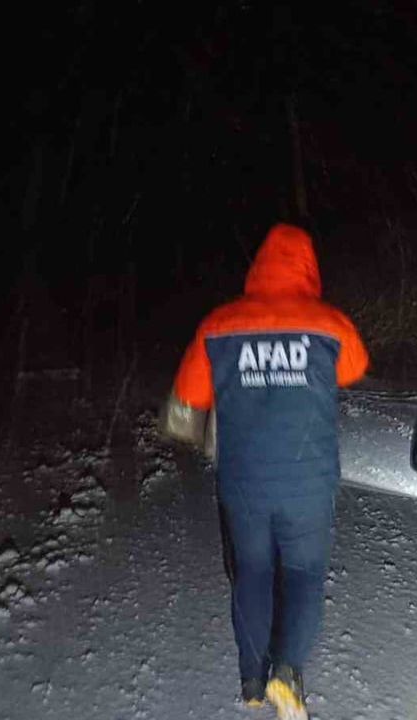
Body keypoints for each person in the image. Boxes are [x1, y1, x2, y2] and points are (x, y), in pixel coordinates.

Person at [161, 223, 369, 720]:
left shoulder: (219, 324)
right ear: (310, 269)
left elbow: (181, 411)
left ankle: (252, 679)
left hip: (244, 481)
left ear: (257, 268)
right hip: (308, 482)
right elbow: (355, 368)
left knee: (252, 574)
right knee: (302, 575)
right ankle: (286, 671)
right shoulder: (329, 323)